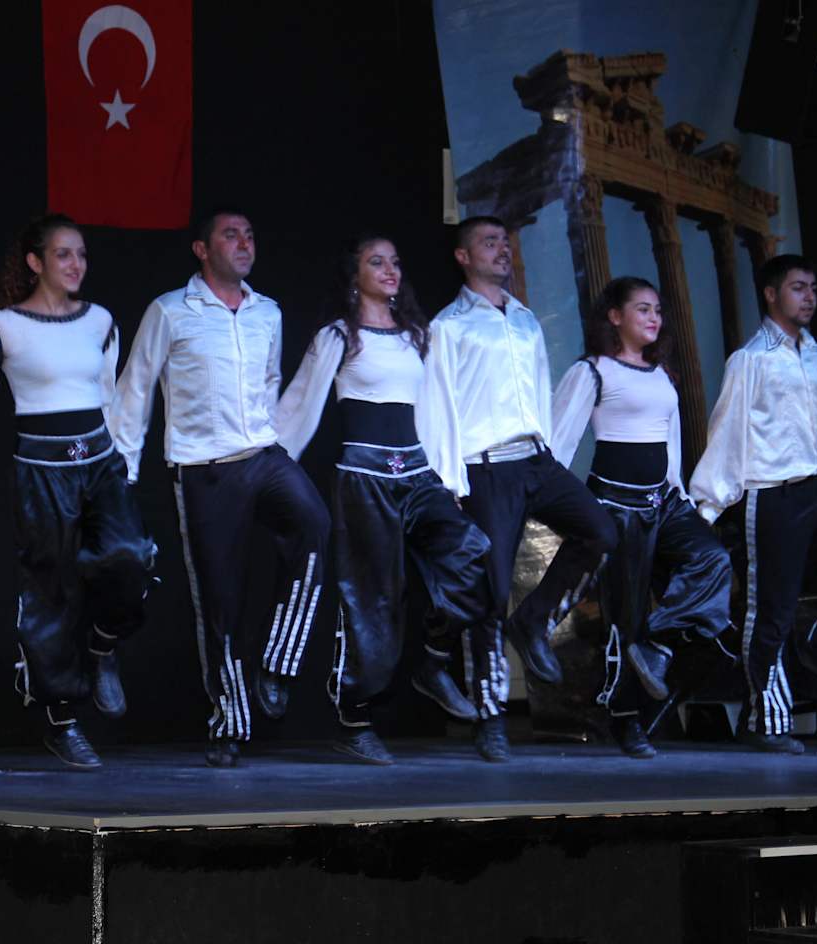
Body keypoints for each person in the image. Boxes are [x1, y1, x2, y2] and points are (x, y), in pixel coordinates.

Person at [109, 208, 331, 767]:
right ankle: (229, 721)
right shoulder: (170, 310)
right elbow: (135, 389)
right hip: (204, 469)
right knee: (220, 601)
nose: (244, 243)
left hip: (263, 454)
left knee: (315, 524)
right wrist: (123, 474)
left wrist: (277, 444)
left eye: (250, 235)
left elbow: (270, 382)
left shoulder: (267, 312)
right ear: (202, 250)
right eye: (231, 235)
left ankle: (277, 664)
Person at [0, 214, 157, 768]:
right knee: (49, 592)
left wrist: (125, 464)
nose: (76, 264)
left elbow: (109, 398)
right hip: (41, 471)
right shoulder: (3, 328)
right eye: (63, 254)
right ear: (36, 262)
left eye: (81, 253)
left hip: (100, 463)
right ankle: (61, 719)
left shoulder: (100, 321)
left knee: (131, 558)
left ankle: (102, 646)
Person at [273, 235, 489, 764]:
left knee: (470, 555)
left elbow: (437, 409)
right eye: (377, 262)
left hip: (417, 474)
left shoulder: (418, 335)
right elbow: (299, 404)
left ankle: (432, 663)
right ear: (355, 276)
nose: (390, 270)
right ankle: (354, 721)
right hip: (364, 480)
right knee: (371, 602)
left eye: (395, 262)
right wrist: (268, 467)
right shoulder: (338, 335)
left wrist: (450, 482)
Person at [514, 277, 735, 758]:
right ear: (615, 317)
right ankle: (627, 721)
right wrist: (555, 504)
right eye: (642, 309)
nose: (654, 317)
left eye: (657, 309)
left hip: (665, 502)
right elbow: (558, 443)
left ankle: (658, 646)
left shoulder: (661, 374)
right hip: (616, 506)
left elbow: (669, 438)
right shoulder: (592, 371)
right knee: (625, 621)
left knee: (713, 560)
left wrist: (679, 492)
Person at [689, 254, 817, 753]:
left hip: (815, 481)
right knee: (772, 610)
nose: (809, 297)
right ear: (771, 294)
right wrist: (707, 507)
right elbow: (727, 430)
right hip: (769, 491)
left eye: (813, 288)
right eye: (798, 288)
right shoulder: (751, 359)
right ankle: (765, 721)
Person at [425, 216, 618, 762]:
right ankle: (490, 719)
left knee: (600, 533)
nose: (502, 250)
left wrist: (548, 454)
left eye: (504, 243)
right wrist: (450, 483)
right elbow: (437, 406)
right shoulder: (449, 326)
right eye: (489, 243)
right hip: (484, 468)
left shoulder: (526, 320)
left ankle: (533, 620)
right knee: (487, 594)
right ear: (463, 256)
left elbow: (537, 389)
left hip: (535, 458)